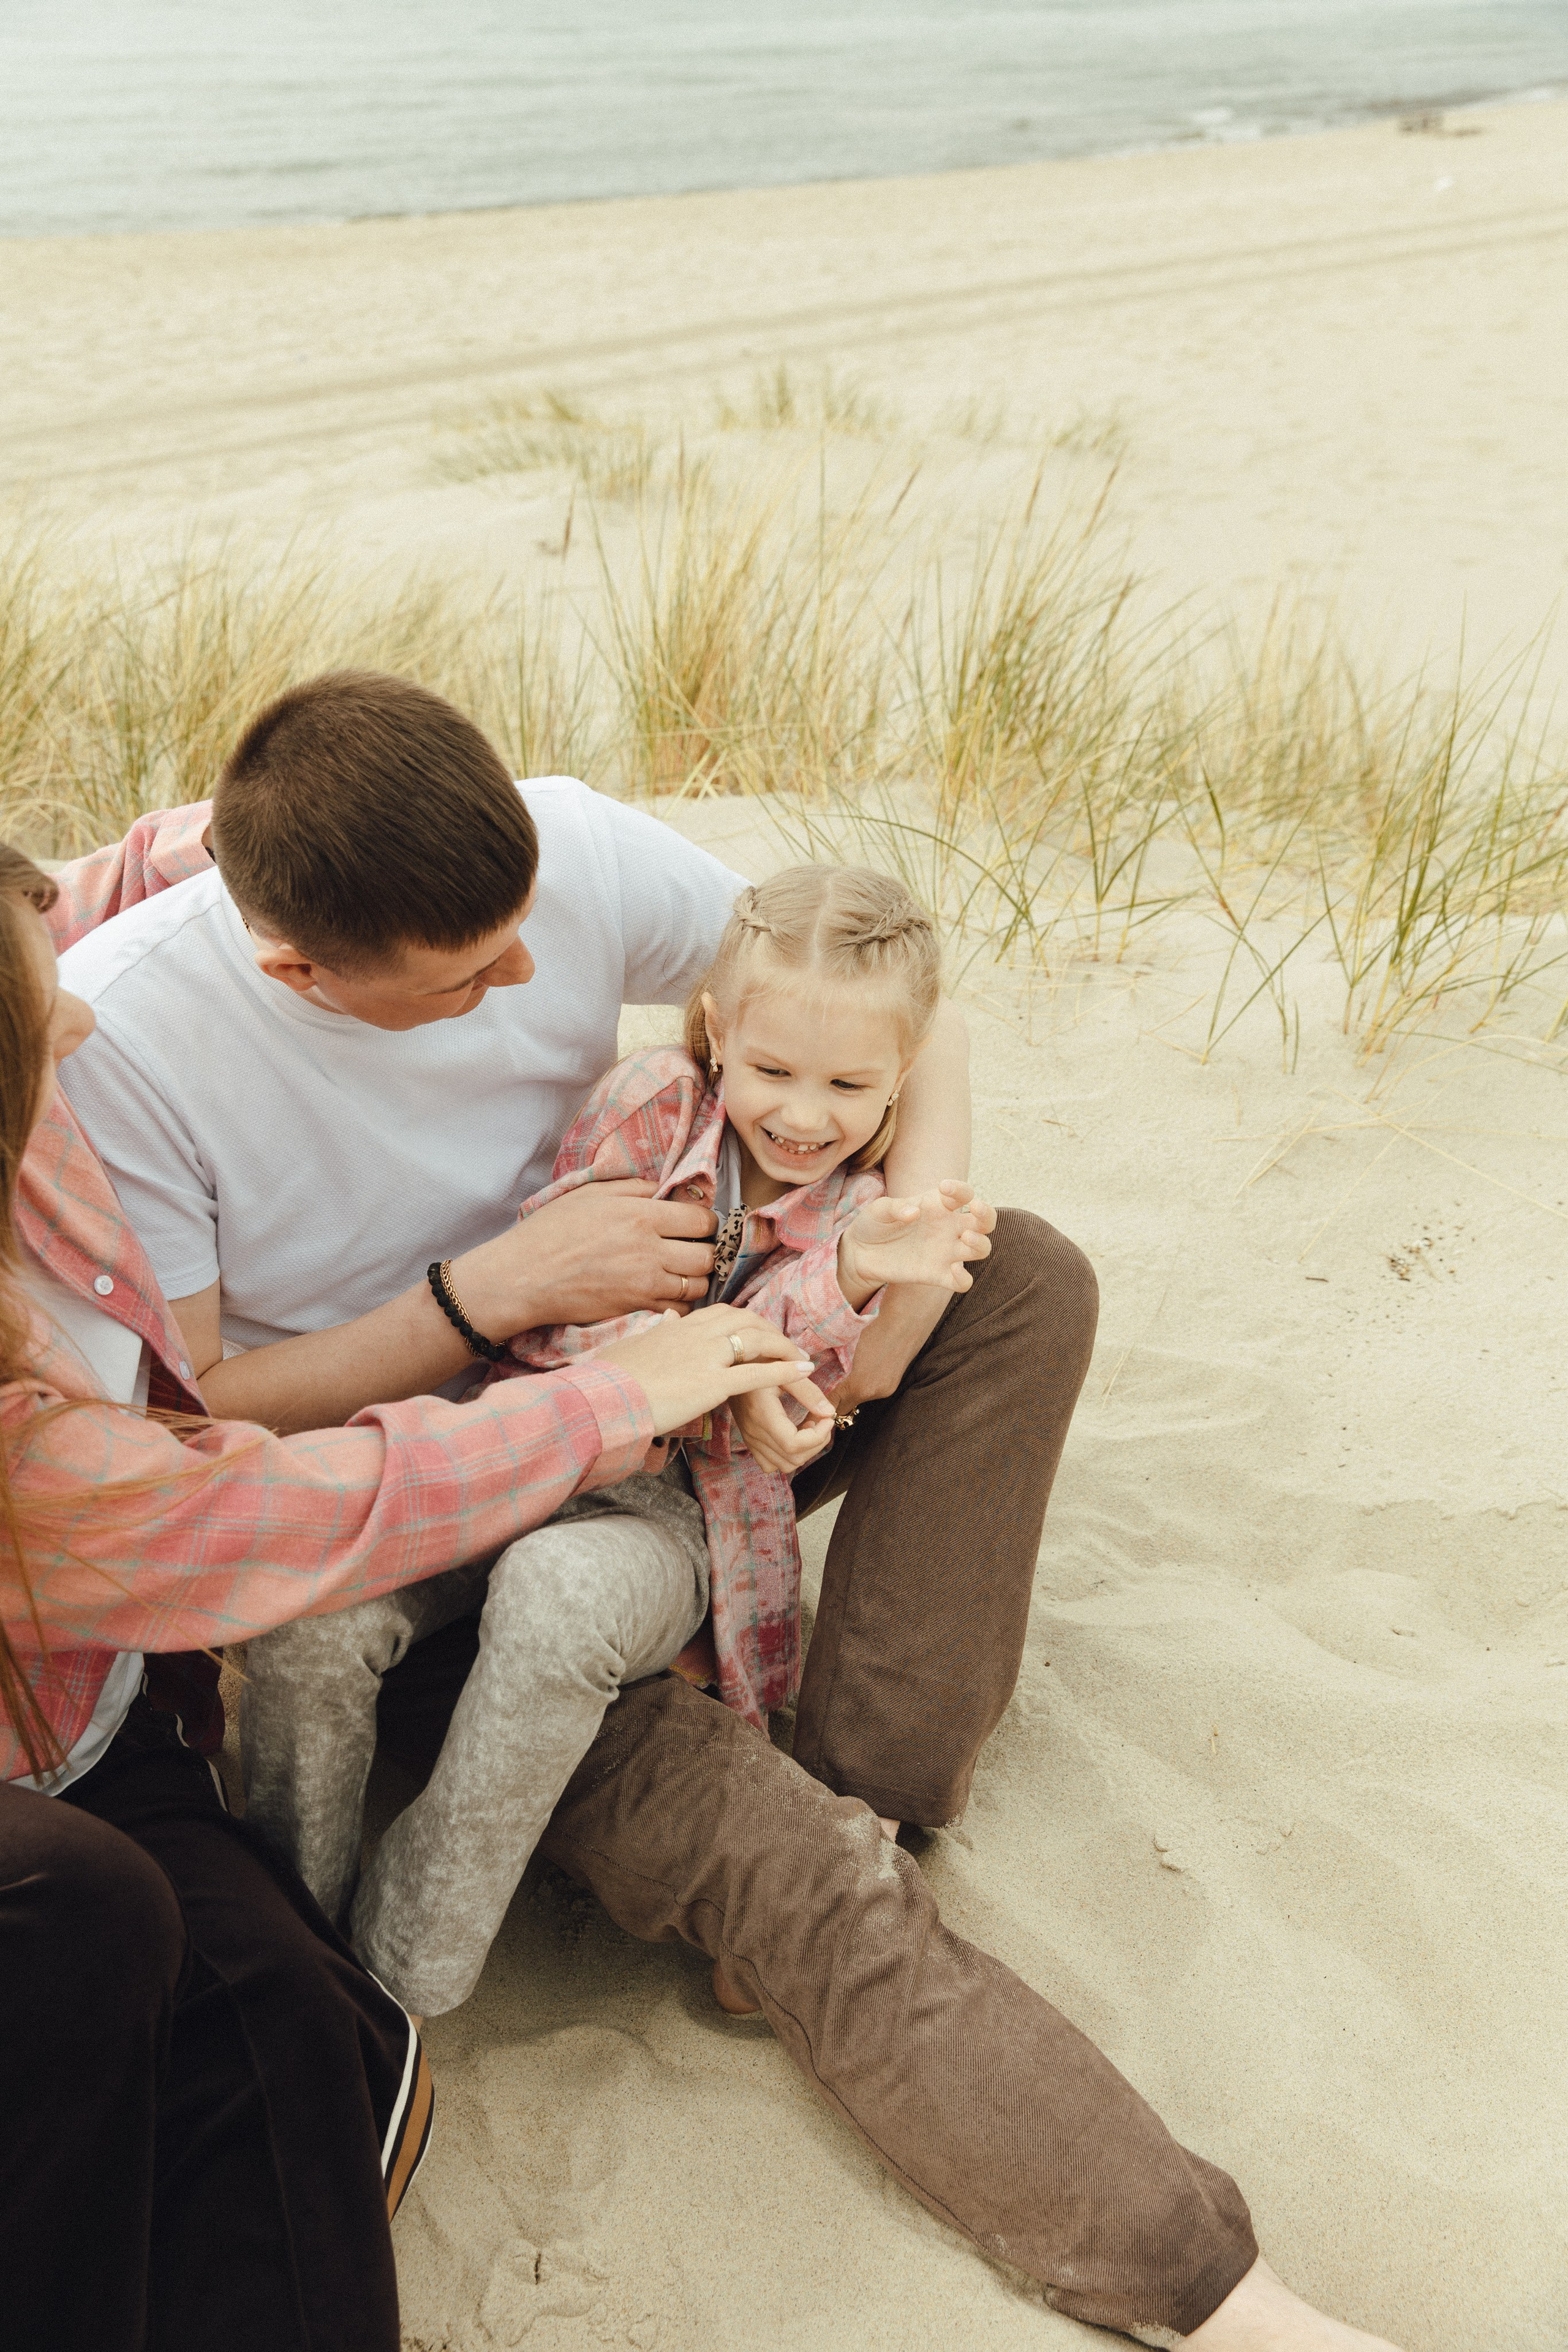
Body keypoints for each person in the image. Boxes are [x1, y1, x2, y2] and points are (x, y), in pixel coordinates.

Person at [49, 684, 1404, 2348]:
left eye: (529, 928)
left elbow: (912, 1015)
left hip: (708, 1397)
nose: (531, 979)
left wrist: (891, 1275)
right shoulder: (123, 1044)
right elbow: (200, 1420)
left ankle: (869, 1784)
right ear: (298, 975)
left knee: (1022, 1273)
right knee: (791, 1874)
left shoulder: (558, 854)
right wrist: (490, 1297)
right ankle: (1212, 2289)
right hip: (444, 1510)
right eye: (469, 979)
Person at [0, 842, 820, 2352]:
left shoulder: (63, 1002)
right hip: (39, 1777)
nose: (84, 1016)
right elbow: (268, 1512)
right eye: (34, 1010)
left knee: (314, 2043)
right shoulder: (21, 1443)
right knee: (99, 1927)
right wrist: (597, 1388)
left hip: (102, 1725)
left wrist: (289, 841)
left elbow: (92, 880)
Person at [292, 861, 992, 2021]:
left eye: (850, 1085)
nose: (804, 1116)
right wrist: (736, 1356)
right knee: (313, 1621)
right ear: (717, 1032)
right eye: (774, 1071)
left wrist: (849, 1276)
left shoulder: (864, 1213)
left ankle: (401, 1974)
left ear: (900, 1080)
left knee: (560, 1594)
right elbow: (567, 1301)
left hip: (674, 1512)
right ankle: (287, 1918)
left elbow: (812, 1392)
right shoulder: (654, 1103)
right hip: (526, 1434)